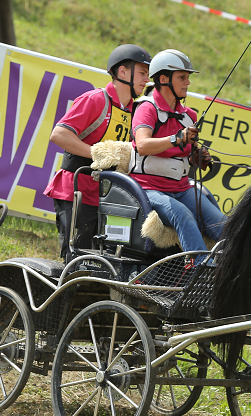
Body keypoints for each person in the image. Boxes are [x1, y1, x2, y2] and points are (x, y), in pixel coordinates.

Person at [44, 44, 152, 259]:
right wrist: (98, 154)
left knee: (104, 262)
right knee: (77, 260)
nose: (146, 80)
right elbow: (59, 135)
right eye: (142, 73)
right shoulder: (95, 100)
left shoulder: (138, 111)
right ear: (122, 72)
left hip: (109, 196)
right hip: (77, 191)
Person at [130, 49, 226, 257]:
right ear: (163, 79)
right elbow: (143, 145)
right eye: (182, 77)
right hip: (148, 190)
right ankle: (202, 269)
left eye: (188, 78)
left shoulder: (189, 115)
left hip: (181, 188)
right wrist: (175, 138)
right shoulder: (147, 108)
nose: (187, 83)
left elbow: (184, 153)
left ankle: (235, 272)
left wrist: (197, 157)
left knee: (225, 226)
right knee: (182, 215)